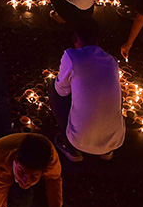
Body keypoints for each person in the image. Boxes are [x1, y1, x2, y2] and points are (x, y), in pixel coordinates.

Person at [50, 22, 125, 163]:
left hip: (79, 140)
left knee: (53, 87)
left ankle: (70, 146)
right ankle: (106, 151)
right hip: (114, 140)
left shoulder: (71, 56)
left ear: (75, 37)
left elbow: (61, 90)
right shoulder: (112, 61)